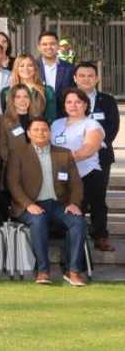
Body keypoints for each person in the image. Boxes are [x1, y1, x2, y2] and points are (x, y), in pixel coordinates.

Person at [6, 118, 87, 286]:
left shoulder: (64, 153)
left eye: (44, 130)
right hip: (30, 205)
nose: (40, 133)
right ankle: (43, 271)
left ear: (50, 133)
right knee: (38, 221)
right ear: (28, 133)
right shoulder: (18, 153)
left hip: (59, 205)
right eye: (36, 130)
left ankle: (73, 271)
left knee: (78, 221)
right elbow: (13, 183)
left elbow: (76, 183)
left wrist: (74, 203)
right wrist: (28, 204)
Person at [51, 87, 108, 257]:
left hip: (88, 175)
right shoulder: (56, 124)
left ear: (85, 105)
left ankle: (95, 240)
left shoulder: (92, 124)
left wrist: (63, 161)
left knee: (87, 210)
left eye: (78, 102)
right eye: (69, 102)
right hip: (62, 178)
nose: (73, 105)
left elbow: (89, 148)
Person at [72, 62, 118, 252]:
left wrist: (95, 145)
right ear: (75, 78)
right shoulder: (68, 98)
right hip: (75, 158)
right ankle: (76, 235)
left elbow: (112, 126)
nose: (86, 79)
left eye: (90, 75)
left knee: (98, 197)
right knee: (76, 197)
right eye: (82, 76)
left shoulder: (107, 100)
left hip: (100, 156)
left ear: (97, 78)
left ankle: (100, 235)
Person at [35, 30, 74, 111]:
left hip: (62, 113)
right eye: (44, 44)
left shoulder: (69, 68)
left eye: (52, 44)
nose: (49, 47)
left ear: (58, 46)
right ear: (39, 47)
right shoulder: (32, 67)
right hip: (38, 113)